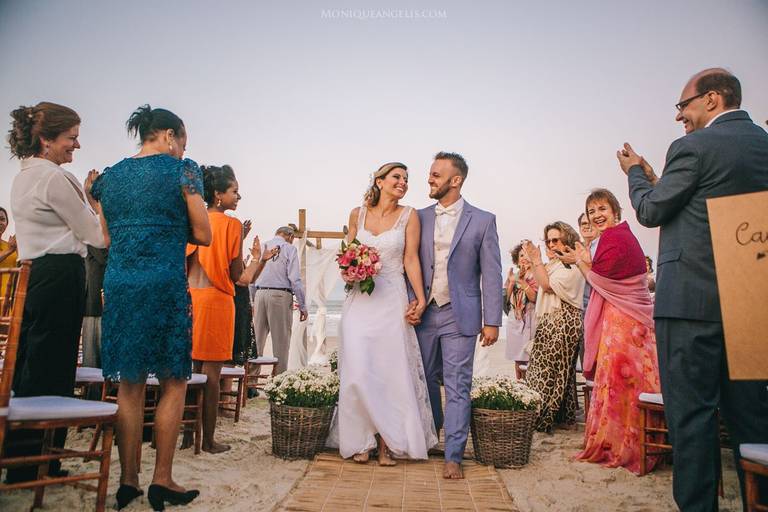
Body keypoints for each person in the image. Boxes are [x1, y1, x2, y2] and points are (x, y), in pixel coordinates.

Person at [618, 68, 768, 510]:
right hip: (750, 301)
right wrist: (657, 175)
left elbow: (649, 210)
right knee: (753, 419)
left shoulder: (692, 147)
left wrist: (635, 175)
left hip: (691, 306)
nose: (679, 116)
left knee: (693, 417)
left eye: (682, 105)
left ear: (713, 99)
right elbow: (708, 203)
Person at [91, 105, 211, 510]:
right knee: (173, 379)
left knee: (130, 382)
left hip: (121, 285)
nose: (181, 150)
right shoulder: (183, 170)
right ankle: (162, 479)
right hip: (163, 283)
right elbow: (204, 233)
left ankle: (128, 482)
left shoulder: (109, 178)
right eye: (182, 142)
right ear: (168, 135)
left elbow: (105, 237)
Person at [6, 102, 106, 483]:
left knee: (30, 362)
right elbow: (96, 234)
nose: (76, 146)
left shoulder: (24, 177)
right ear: (47, 140)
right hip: (60, 274)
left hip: (33, 274)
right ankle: (41, 460)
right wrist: (97, 201)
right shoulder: (52, 178)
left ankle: (20, 454)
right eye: (72, 138)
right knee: (54, 366)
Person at [334, 161, 437, 467]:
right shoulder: (357, 214)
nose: (403, 182)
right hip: (359, 302)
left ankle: (387, 444)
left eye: (406, 178)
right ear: (379, 181)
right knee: (358, 369)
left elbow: (410, 259)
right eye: (396, 177)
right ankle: (361, 441)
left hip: (391, 298)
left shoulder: (410, 215)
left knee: (389, 372)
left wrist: (420, 298)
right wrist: (349, 271)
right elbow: (346, 255)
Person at [411, 152, 503, 479]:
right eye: (430, 174)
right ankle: (432, 433)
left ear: (456, 179)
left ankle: (453, 454)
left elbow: (492, 274)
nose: (429, 180)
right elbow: (407, 263)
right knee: (423, 380)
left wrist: (492, 321)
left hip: (460, 314)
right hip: (422, 314)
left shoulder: (483, 220)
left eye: (436, 175)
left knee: (458, 385)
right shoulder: (417, 217)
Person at [564, 189, 661, 474]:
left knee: (621, 382)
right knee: (630, 383)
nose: (596, 215)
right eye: (592, 211)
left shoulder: (614, 237)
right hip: (629, 320)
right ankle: (631, 441)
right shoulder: (616, 237)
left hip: (624, 323)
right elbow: (603, 275)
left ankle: (622, 444)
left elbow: (598, 279)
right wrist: (583, 257)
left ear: (615, 211)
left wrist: (581, 260)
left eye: (601, 209)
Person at [186, 164, 270, 454]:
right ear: (218, 194)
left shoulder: (193, 221)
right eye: (234, 190)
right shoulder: (231, 225)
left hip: (189, 298)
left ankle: (186, 436)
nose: (239, 196)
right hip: (217, 303)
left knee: (189, 371)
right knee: (210, 376)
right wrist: (258, 259)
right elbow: (240, 278)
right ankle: (208, 440)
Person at [521, 221, 584, 433]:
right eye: (548, 241)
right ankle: (562, 418)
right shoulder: (553, 265)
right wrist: (536, 262)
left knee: (552, 373)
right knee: (555, 373)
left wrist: (537, 260)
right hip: (550, 321)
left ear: (567, 240)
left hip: (564, 321)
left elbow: (547, 286)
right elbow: (541, 284)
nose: (550, 244)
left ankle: (544, 416)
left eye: (555, 240)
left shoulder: (572, 266)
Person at [252, 226, 307, 374]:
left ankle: (250, 381)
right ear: (290, 236)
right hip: (280, 295)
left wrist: (252, 300)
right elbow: (294, 279)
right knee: (281, 341)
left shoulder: (263, 246)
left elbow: (252, 276)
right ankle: (278, 381)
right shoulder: (289, 249)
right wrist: (303, 305)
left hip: (259, 293)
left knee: (256, 340)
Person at [504, 243, 538, 363]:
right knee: (517, 357)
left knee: (530, 355)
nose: (525, 257)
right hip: (516, 320)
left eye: (528, 254)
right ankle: (519, 380)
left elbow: (534, 298)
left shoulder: (537, 275)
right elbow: (506, 301)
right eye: (522, 255)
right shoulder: (514, 276)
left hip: (531, 318)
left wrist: (523, 283)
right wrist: (512, 283)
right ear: (517, 261)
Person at [82, 245, 108, 369]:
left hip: (102, 294)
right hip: (95, 297)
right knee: (92, 353)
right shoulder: (94, 234)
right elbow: (104, 257)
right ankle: (93, 387)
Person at [0, 206, 18, 298]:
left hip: (9, 301)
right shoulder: (10, 248)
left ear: (7, 223)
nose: (0, 223)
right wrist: (9, 251)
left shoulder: (11, 245)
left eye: (2, 219)